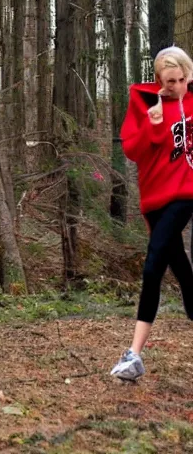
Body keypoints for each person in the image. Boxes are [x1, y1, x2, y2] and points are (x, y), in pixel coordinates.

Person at [111, 46, 193, 381]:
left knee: (153, 264)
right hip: (154, 197)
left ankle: (133, 355)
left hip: (186, 193)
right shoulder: (144, 102)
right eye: (168, 80)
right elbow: (133, 151)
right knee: (184, 274)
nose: (175, 85)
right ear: (158, 79)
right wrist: (153, 123)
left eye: (181, 79)